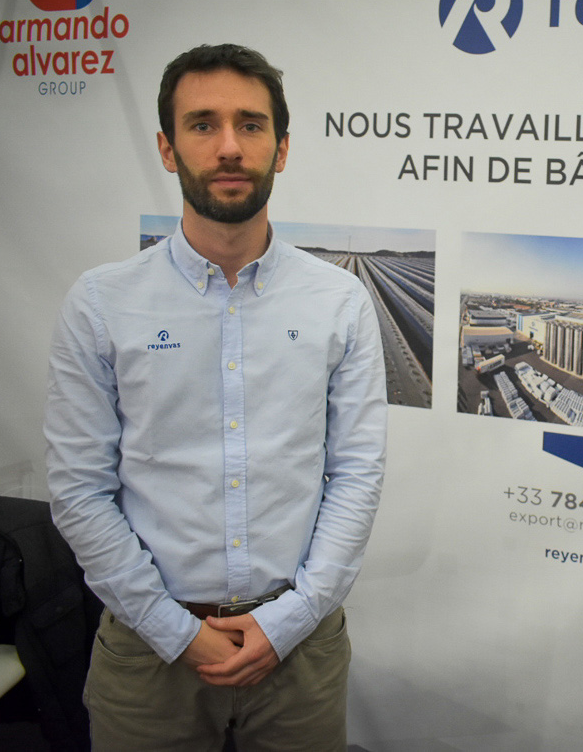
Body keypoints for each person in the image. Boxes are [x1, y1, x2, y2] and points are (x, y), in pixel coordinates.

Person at [44, 43, 387, 751]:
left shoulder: (339, 301)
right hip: (147, 651)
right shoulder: (102, 303)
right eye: (202, 124)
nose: (229, 146)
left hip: (300, 649)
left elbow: (356, 475)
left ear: (281, 149)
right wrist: (174, 630)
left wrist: (289, 620)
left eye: (251, 125)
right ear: (167, 149)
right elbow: (79, 490)